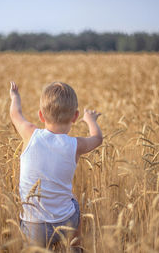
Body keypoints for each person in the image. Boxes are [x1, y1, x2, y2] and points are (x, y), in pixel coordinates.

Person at [9, 81, 102, 250]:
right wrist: (90, 120)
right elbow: (97, 139)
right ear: (75, 117)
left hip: (33, 227)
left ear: (41, 116)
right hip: (65, 223)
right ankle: (75, 248)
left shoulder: (30, 133)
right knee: (74, 201)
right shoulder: (75, 144)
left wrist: (15, 96)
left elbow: (15, 114)